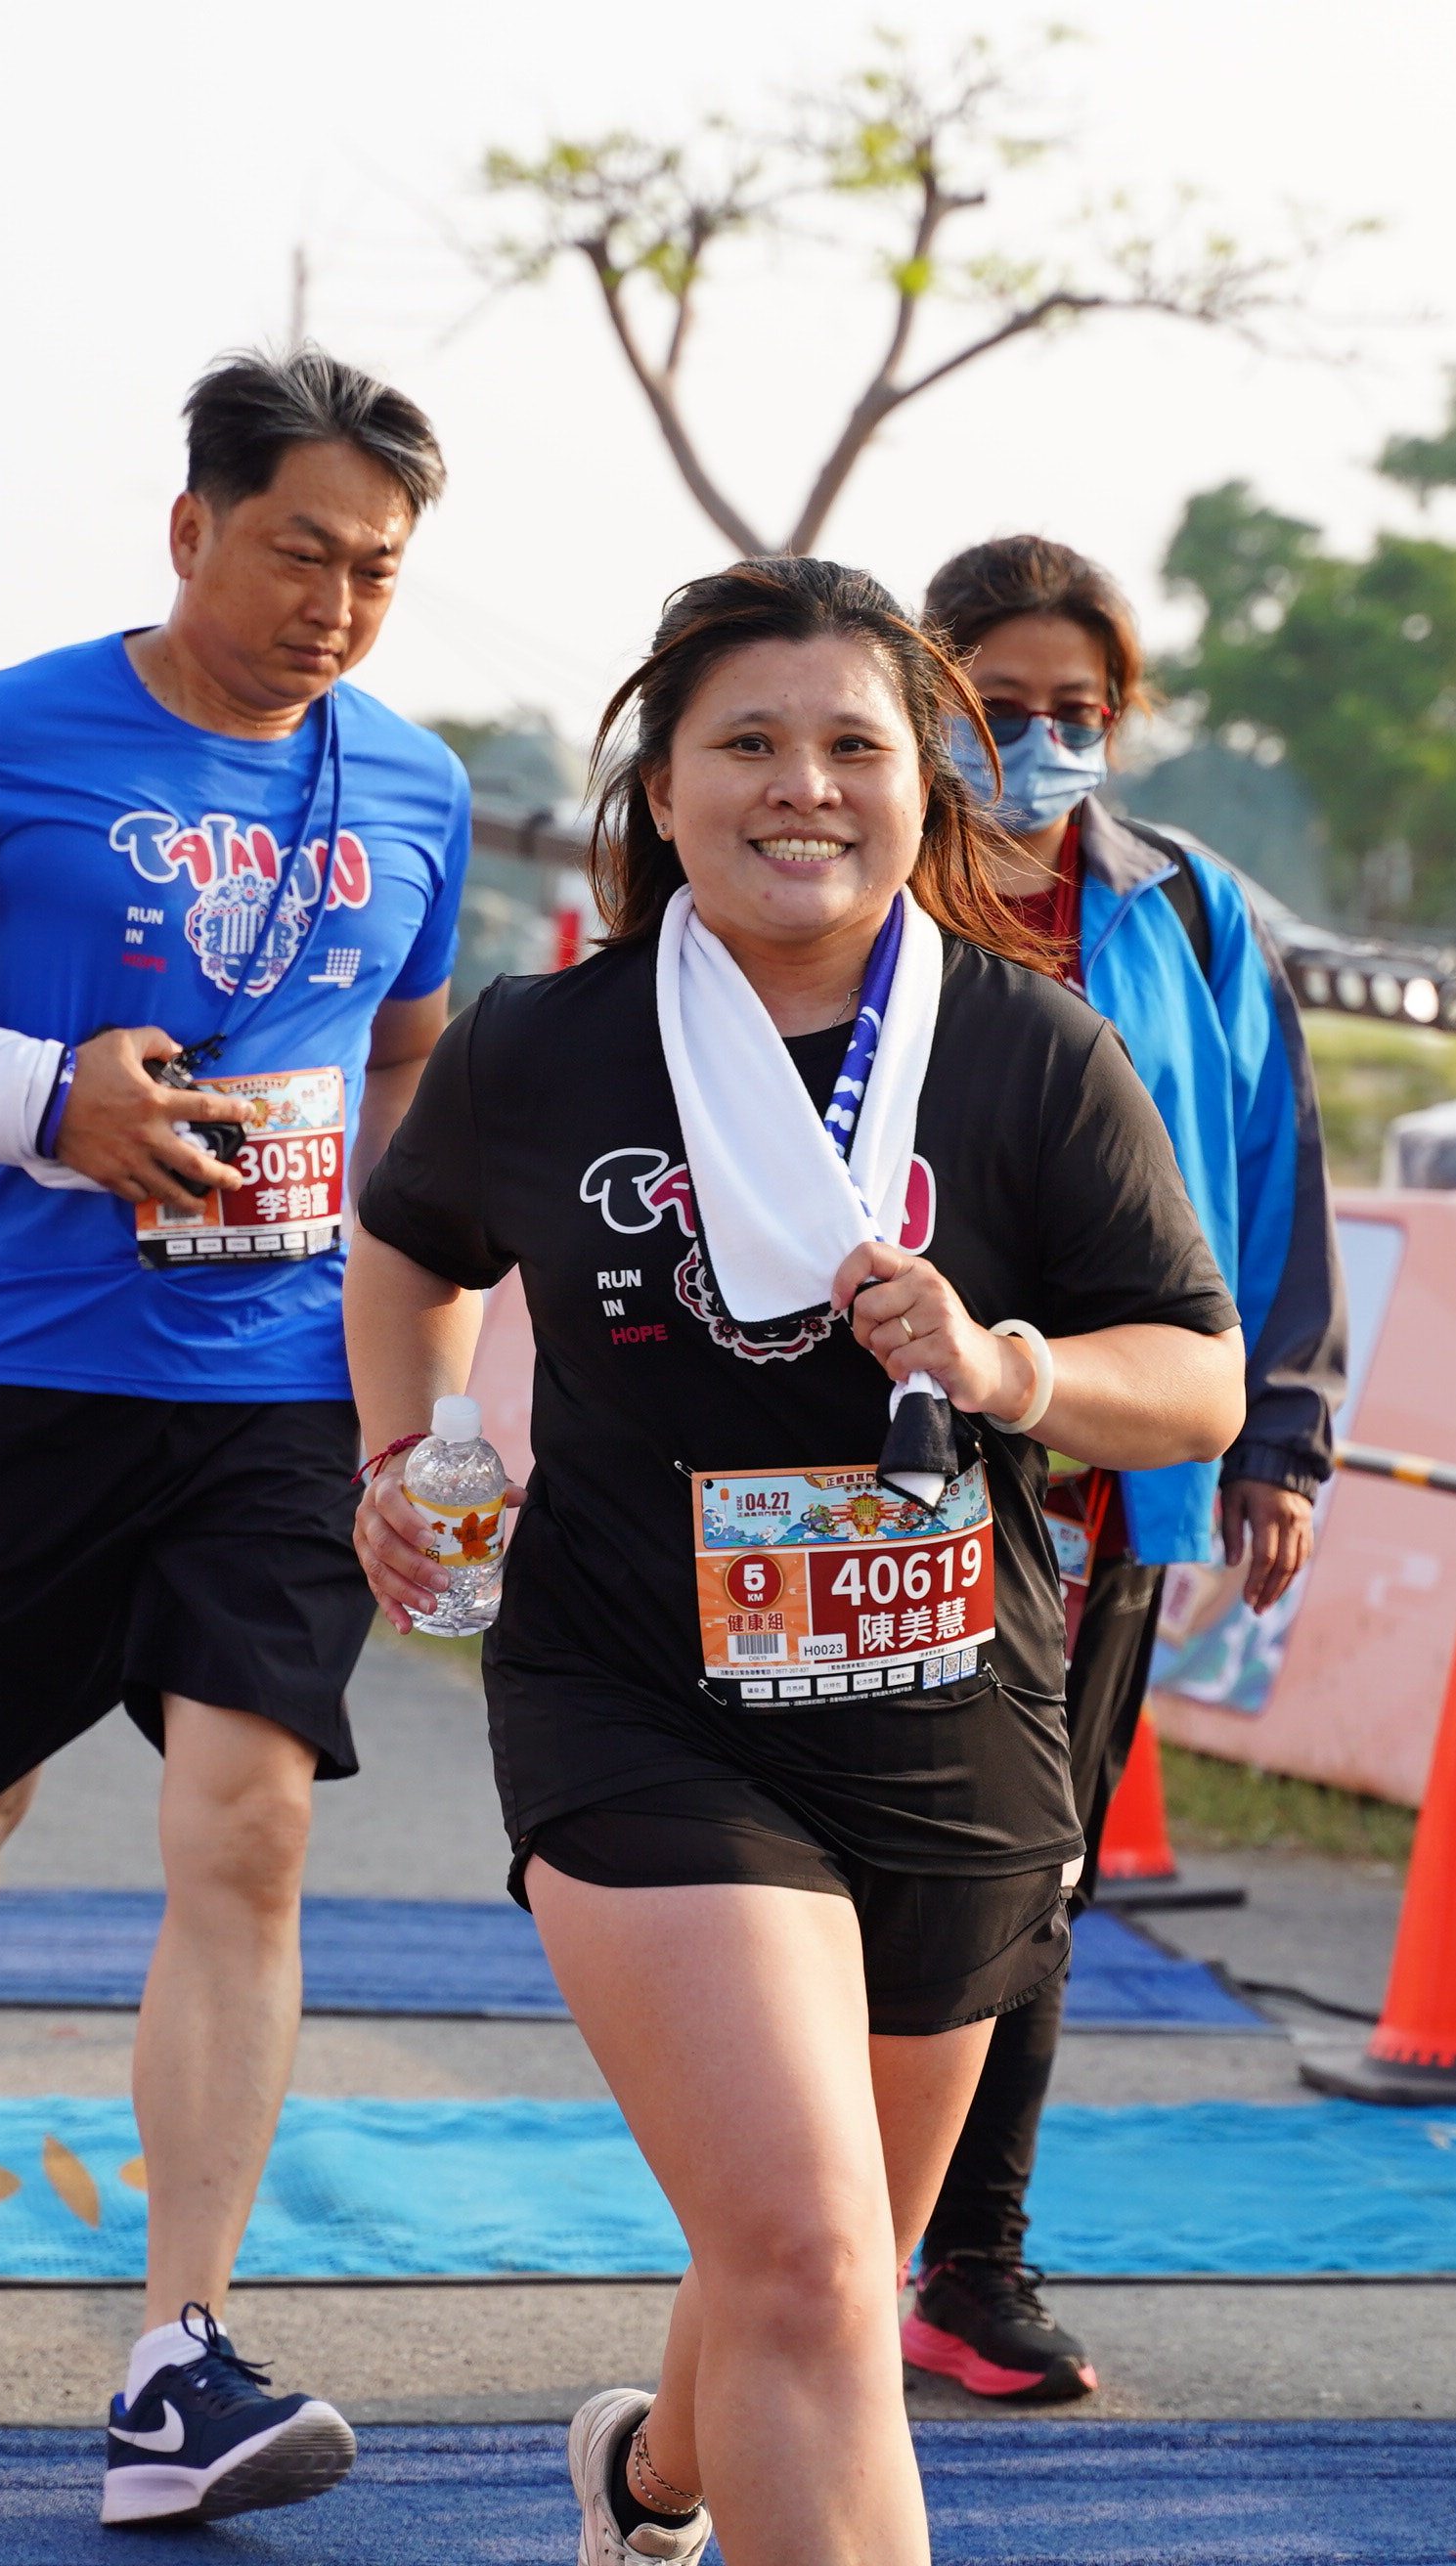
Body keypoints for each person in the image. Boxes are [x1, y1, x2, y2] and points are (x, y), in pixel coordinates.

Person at [350, 556, 1247, 2566]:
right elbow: (410, 1246)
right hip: (639, 1706)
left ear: (924, 784)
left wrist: (1011, 1366)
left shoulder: (1031, 1052)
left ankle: (648, 2477)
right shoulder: (540, 1045)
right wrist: (415, 1448)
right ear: (661, 788)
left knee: (811, 2255)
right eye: (746, 742)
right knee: (818, 2258)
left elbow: (1198, 1379)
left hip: (949, 1727)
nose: (803, 786)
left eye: (854, 744)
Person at [0, 346, 466, 2531]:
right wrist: (36, 1093)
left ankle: (179, 2355)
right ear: (191, 528)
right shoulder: (7, 733)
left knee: (250, 1828)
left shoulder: (417, 784)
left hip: (277, 1393)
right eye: (298, 551)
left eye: (376, 570)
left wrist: (406, 1365)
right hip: (30, 1368)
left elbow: (410, 1058)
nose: (334, 603)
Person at [904, 534, 1345, 2403]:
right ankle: (809, 2230)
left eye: (1075, 709)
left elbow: (1270, 1165)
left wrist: (1280, 1431)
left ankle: (971, 2258)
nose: (1038, 741)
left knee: (1038, 1865)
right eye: (1000, 706)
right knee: (854, 1862)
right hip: (879, 1467)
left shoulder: (1189, 910)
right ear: (930, 699)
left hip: (1105, 1468)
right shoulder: (862, 877)